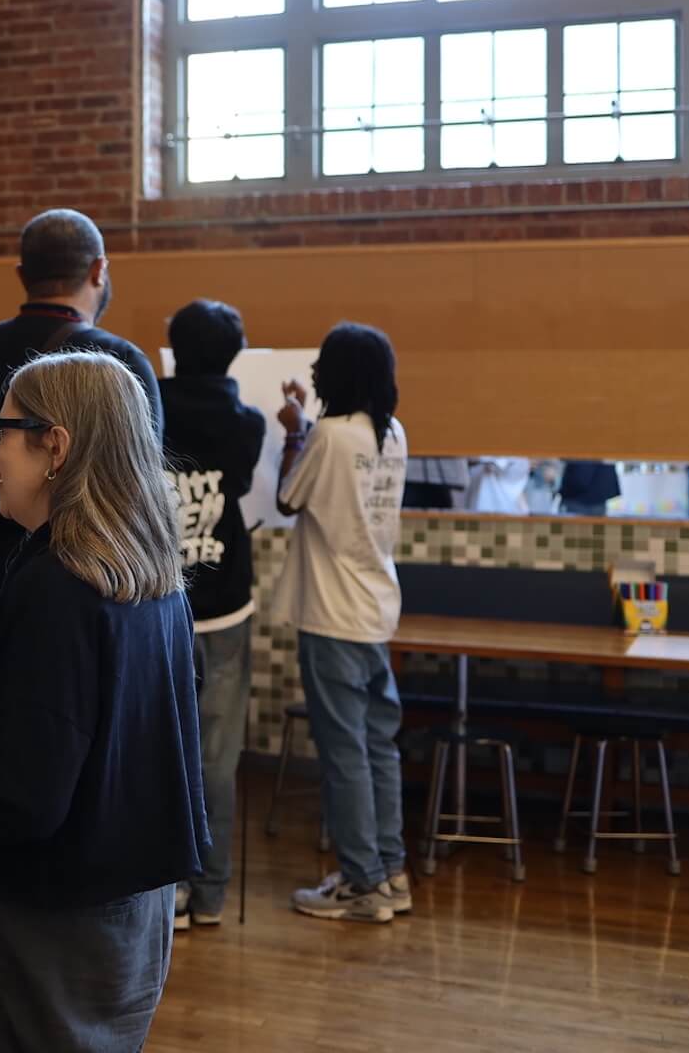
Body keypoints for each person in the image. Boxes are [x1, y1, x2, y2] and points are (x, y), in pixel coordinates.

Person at [0, 350, 204, 1052]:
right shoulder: (150, 573)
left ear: (55, 446)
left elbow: (22, 802)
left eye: (2, 432)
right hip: (131, 907)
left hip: (46, 918)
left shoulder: (56, 584)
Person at [0, 209, 163, 662]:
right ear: (98, 270)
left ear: (22, 275)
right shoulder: (121, 366)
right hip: (95, 594)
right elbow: (138, 491)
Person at [270, 323, 410, 924]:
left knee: (344, 752)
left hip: (332, 614)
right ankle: (390, 872)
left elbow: (287, 499)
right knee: (378, 746)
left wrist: (295, 431)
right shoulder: (392, 432)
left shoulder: (329, 434)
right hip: (377, 609)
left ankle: (360, 884)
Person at [159, 300, 265, 930]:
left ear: (173, 350)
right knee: (216, 759)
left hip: (159, 604)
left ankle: (165, 891)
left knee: (160, 751)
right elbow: (244, 487)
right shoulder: (245, 424)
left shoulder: (148, 415)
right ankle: (212, 893)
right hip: (227, 602)